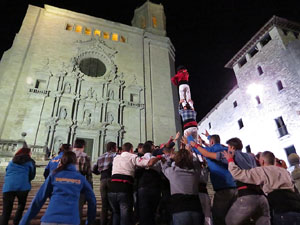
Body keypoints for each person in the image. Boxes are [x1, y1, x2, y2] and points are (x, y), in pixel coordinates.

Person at [19, 151, 96, 225]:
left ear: (61, 161)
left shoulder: (53, 175)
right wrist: (90, 221)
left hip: (50, 218)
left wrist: (24, 220)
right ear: (75, 162)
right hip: (71, 220)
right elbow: (92, 201)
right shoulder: (80, 178)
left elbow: (39, 199)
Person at [224, 150, 300, 225]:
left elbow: (238, 174)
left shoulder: (262, 170)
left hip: (280, 208)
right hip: (296, 205)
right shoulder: (285, 171)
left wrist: (230, 160)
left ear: (263, 161)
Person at [187, 131, 237, 225]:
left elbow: (199, 150)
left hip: (223, 189)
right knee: (234, 217)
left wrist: (189, 138)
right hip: (235, 187)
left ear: (212, 143)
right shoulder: (227, 149)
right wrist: (209, 137)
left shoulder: (211, 150)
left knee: (218, 217)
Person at [107, 142, 160, 225]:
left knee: (116, 214)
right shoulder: (133, 157)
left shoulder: (116, 158)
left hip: (111, 189)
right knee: (125, 216)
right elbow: (149, 163)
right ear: (131, 149)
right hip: (124, 188)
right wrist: (159, 158)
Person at [161, 147, 204, 225]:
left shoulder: (172, 172)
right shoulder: (195, 172)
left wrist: (170, 158)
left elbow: (164, 167)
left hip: (179, 208)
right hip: (196, 208)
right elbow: (196, 163)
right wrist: (190, 153)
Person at [1, 147, 36, 225]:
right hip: (23, 186)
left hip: (9, 186)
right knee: (21, 205)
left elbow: (7, 171)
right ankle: (17, 221)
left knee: (6, 209)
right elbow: (32, 175)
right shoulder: (30, 162)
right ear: (28, 153)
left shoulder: (12, 161)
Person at [135, 142, 162, 225]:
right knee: (154, 211)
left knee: (143, 212)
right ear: (152, 149)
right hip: (155, 187)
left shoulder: (139, 159)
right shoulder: (157, 160)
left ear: (143, 150)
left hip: (142, 187)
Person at [92, 142, 117, 225]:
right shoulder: (115, 155)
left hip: (102, 180)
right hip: (111, 179)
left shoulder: (100, 156)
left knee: (104, 205)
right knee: (113, 204)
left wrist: (100, 172)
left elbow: (93, 169)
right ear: (113, 148)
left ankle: (103, 223)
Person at [73, 139, 93, 221]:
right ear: (83, 146)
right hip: (79, 185)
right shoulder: (85, 157)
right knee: (78, 209)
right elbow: (88, 175)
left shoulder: (65, 155)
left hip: (64, 184)